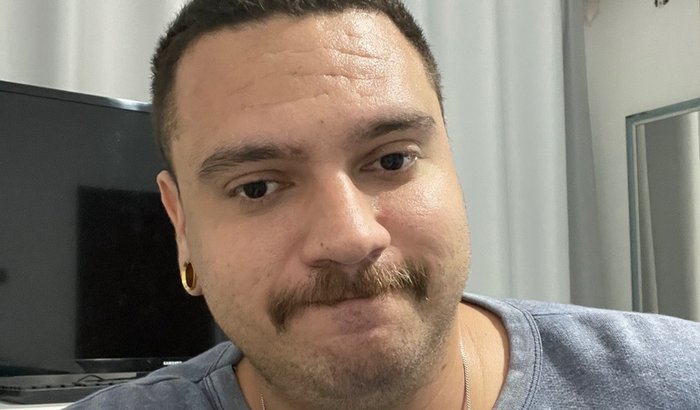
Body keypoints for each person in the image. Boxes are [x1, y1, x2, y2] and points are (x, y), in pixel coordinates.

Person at [69, 0, 700, 408]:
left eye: (392, 159)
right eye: (257, 186)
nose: (350, 237)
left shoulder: (676, 382)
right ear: (180, 223)